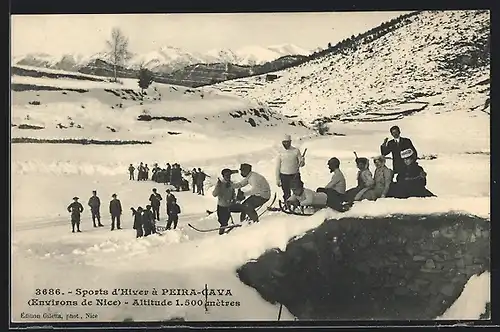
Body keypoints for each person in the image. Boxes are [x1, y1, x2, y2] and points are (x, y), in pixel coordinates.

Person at [275, 134, 305, 202]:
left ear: (290, 142)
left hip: (295, 175)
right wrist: (277, 179)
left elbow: (301, 164)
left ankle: (299, 204)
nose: (285, 144)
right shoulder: (280, 152)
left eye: (287, 142)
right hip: (284, 176)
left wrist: (302, 161)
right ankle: (287, 204)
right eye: (284, 142)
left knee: (298, 191)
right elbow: (278, 167)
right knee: (286, 192)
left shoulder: (296, 151)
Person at [212, 168, 239, 235]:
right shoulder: (220, 184)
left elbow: (233, 193)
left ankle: (223, 233)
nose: (228, 177)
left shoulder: (231, 184)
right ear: (223, 176)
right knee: (223, 222)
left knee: (225, 222)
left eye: (229, 175)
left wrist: (234, 199)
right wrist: (218, 186)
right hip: (221, 207)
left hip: (229, 206)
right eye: (226, 175)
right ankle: (221, 233)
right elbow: (214, 194)